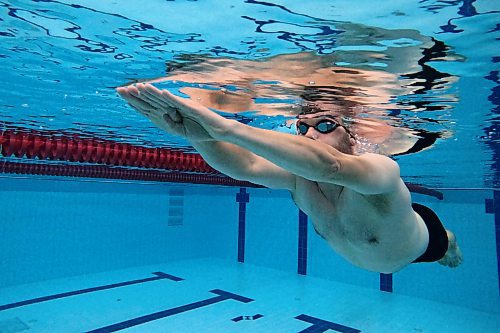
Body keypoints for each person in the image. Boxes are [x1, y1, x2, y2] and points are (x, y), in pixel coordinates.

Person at [116, 83, 462, 274]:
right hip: (382, 247)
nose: (310, 135)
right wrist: (194, 133)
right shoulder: (299, 180)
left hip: (418, 244)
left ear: (351, 136)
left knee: (444, 246)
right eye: (302, 127)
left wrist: (226, 127)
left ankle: (448, 239)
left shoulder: (381, 170)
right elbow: (246, 167)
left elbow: (331, 166)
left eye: (325, 125)